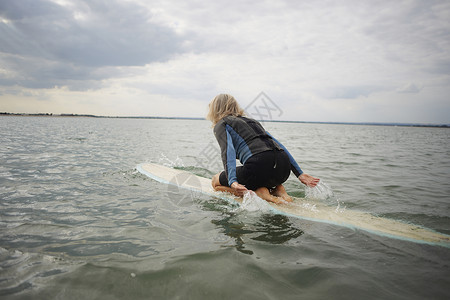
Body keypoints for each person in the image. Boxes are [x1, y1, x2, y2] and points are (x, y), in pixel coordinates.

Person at [206, 94, 320, 204]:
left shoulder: (222, 124)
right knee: (260, 175)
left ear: (215, 110)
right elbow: (280, 146)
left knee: (215, 182)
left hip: (259, 167)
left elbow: (227, 151)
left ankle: (259, 193)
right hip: (283, 170)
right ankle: (279, 190)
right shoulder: (253, 122)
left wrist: (232, 181)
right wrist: (300, 174)